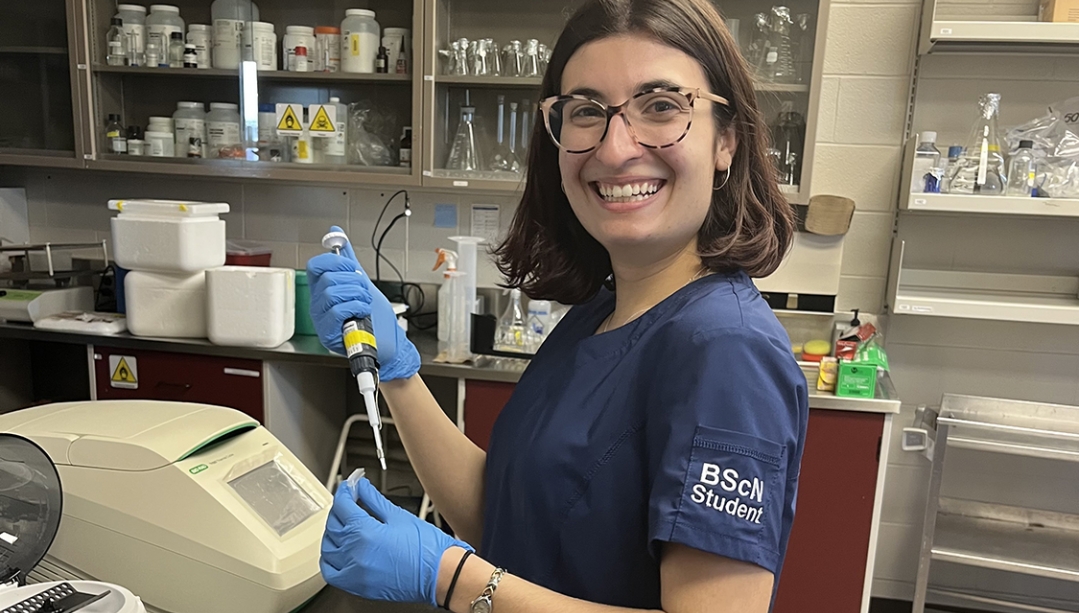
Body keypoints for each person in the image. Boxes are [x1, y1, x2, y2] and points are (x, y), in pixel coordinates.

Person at [308, 0, 808, 610]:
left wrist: (450, 579)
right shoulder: (598, 315)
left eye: (661, 107)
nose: (616, 147)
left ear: (725, 140)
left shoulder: (726, 352)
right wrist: (400, 373)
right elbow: (505, 516)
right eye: (586, 112)